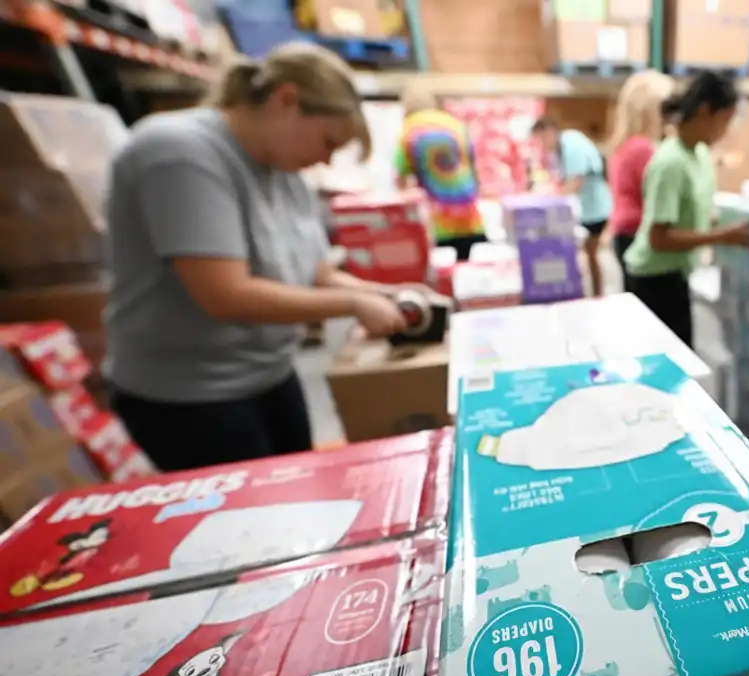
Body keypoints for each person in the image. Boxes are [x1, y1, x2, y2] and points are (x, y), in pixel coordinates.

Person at [104, 43, 410, 473]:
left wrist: (388, 293)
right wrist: (355, 305)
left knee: (303, 498)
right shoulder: (178, 153)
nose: (325, 159)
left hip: (270, 375)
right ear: (286, 101)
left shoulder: (284, 170)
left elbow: (317, 273)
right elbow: (224, 294)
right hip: (191, 397)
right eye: (327, 141)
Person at [624, 71, 749, 347]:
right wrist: (724, 236)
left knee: (682, 352)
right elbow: (660, 238)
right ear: (705, 112)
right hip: (654, 279)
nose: (726, 132)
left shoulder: (700, 155)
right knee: (668, 360)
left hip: (678, 273)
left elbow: (699, 212)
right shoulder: (670, 162)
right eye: (725, 121)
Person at [395, 87, 488, 262]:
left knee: (444, 277)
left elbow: (401, 179)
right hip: (468, 214)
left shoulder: (408, 130)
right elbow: (473, 167)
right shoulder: (455, 124)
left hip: (436, 219)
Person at [606, 70, 676, 287]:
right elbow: (658, 199)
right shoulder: (643, 150)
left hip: (625, 233)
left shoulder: (625, 146)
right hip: (638, 234)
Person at [530, 117, 612, 297]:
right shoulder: (559, 149)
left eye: (542, 139)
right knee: (582, 255)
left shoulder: (571, 143)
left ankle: (598, 295)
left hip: (595, 209)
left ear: (550, 130)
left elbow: (575, 182)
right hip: (585, 209)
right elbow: (561, 180)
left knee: (590, 254)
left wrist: (549, 198)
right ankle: (586, 293)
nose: (543, 145)